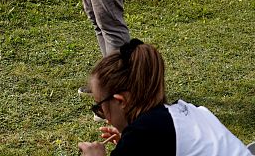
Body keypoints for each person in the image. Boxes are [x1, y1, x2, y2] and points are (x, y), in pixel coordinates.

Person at [78, 39, 252, 156]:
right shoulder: (188, 111)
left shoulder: (142, 134)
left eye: (99, 107)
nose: (104, 116)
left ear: (120, 101)